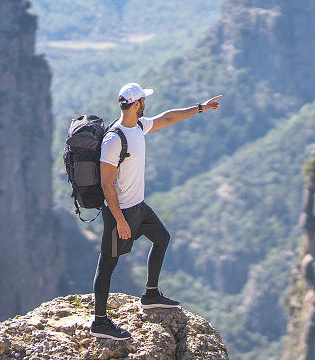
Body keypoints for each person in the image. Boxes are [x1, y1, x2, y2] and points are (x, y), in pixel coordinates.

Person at [89, 82, 223, 340]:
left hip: (139, 207)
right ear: (137, 103)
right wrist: (120, 221)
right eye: (143, 101)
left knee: (162, 238)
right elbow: (106, 185)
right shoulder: (114, 139)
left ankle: (151, 294)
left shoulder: (138, 126)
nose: (145, 105)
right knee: (107, 264)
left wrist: (200, 108)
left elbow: (167, 117)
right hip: (121, 212)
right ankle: (100, 322)